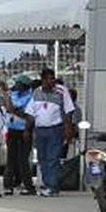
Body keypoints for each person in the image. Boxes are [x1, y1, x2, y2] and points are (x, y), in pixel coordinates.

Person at [27, 68, 76, 197]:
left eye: (53, 78)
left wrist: (68, 129)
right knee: (42, 159)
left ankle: (52, 187)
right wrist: (28, 130)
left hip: (55, 129)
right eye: (48, 79)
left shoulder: (61, 91)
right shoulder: (36, 92)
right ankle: (48, 184)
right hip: (40, 130)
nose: (51, 81)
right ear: (42, 80)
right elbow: (31, 113)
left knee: (52, 159)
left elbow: (68, 111)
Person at [3, 74, 37, 195]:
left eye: (18, 84)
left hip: (24, 131)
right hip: (12, 129)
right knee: (10, 159)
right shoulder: (14, 94)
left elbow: (27, 115)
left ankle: (28, 186)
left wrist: (13, 110)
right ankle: (8, 185)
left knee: (23, 159)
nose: (16, 86)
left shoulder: (31, 97)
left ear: (24, 86)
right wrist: (11, 107)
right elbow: (9, 108)